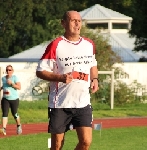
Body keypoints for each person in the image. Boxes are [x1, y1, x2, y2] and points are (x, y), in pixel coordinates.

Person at [36, 10, 99, 150]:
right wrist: (60, 77)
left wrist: (94, 79)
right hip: (60, 104)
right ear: (63, 23)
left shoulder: (89, 44)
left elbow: (93, 65)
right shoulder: (56, 45)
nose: (77, 23)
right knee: (57, 145)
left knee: (86, 142)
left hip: (82, 102)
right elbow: (40, 71)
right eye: (73, 20)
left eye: (79, 20)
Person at [0, 65, 22, 135]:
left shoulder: (14, 78)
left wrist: (12, 84)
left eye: (9, 70)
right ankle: (4, 128)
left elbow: (19, 87)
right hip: (5, 99)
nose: (8, 71)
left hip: (14, 99)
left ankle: (18, 126)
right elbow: (4, 86)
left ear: (12, 71)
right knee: (5, 113)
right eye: (7, 70)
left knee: (14, 113)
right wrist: (1, 88)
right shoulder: (3, 78)